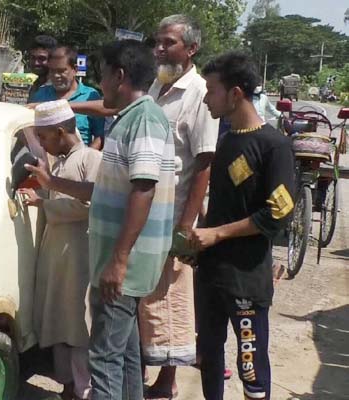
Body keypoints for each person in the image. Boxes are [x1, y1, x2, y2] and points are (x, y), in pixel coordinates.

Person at [26, 40, 175, 400]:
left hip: (123, 264)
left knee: (105, 359)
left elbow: (143, 189)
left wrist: (119, 260)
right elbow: (105, 191)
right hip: (118, 260)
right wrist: (53, 183)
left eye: (104, 76)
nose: (100, 85)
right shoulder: (129, 120)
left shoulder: (143, 120)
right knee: (124, 356)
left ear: (119, 76)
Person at [189, 51, 295, 400]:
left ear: (235, 94)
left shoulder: (274, 146)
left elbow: (278, 213)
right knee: (208, 356)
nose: (206, 98)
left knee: (250, 363)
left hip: (246, 279)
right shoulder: (226, 139)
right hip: (210, 273)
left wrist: (217, 233)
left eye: (211, 90)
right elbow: (223, 206)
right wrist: (198, 238)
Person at [138, 15, 219, 400]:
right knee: (144, 294)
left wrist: (186, 225)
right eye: (157, 41)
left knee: (171, 299)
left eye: (168, 42)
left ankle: (167, 381)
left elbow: (204, 163)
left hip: (174, 217)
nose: (159, 49)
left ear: (191, 49)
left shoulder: (199, 94)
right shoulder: (158, 85)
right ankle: (139, 368)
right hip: (145, 210)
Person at [19, 99, 101, 400]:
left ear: (60, 131)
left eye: (43, 137)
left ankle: (85, 390)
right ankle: (68, 385)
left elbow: (89, 204)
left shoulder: (90, 159)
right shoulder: (59, 162)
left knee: (79, 326)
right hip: (57, 254)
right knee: (58, 322)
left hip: (78, 256)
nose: (42, 144)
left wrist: (45, 203)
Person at [31, 46, 105, 149]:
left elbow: (100, 136)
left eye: (61, 71)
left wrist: (84, 158)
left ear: (75, 69)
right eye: (52, 71)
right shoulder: (40, 95)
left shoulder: (90, 96)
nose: (56, 76)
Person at [27, 34, 58, 101]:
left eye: (42, 59)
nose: (36, 63)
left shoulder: (57, 87)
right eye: (33, 58)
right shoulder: (35, 85)